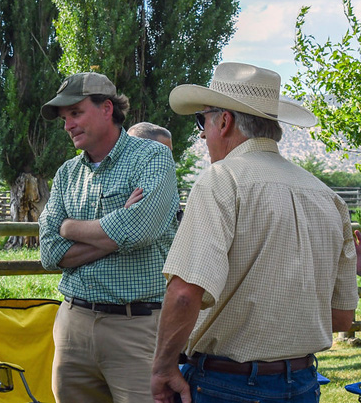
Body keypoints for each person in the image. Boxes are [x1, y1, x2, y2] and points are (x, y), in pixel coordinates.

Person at [150, 62, 359, 403]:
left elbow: (185, 293)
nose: (202, 133)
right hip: (304, 383)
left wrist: (162, 368)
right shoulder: (328, 197)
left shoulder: (221, 180)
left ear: (225, 121)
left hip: (224, 384)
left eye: (203, 120)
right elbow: (341, 316)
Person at [38, 72, 180, 402]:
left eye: (75, 113)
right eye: (64, 118)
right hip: (73, 325)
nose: (67, 125)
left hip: (137, 328)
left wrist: (70, 227)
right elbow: (49, 253)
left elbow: (141, 229)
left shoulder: (152, 157)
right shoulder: (66, 173)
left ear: (106, 109)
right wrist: (118, 229)